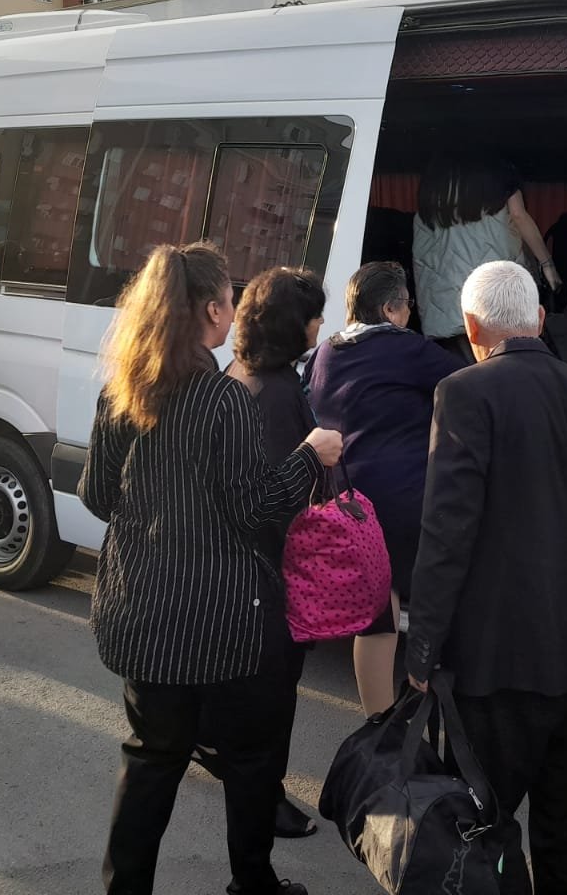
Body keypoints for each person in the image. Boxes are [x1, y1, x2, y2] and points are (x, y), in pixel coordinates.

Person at [77, 242, 342, 895]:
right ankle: (253, 884)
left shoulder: (123, 390)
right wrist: (311, 454)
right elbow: (258, 509)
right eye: (227, 298)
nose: (232, 310)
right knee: (250, 761)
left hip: (141, 611)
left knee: (150, 761)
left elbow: (97, 496)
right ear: (212, 311)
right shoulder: (224, 400)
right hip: (224, 620)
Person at [407, 260, 567, 895]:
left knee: (482, 824)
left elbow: (446, 533)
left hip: (494, 665)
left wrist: (421, 644)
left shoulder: (464, 393)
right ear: (539, 319)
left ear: (472, 326)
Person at [303, 261, 464, 714]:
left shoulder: (326, 352)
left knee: (378, 615)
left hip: (345, 497)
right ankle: (433, 710)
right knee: (439, 594)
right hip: (403, 499)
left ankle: (378, 723)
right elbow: (466, 385)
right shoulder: (406, 349)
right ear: (392, 307)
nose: (409, 315)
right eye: (407, 306)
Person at [216, 266, 327, 840]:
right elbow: (283, 490)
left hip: (236, 562)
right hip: (270, 570)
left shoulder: (240, 370)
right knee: (274, 695)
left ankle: (236, 764)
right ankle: (264, 797)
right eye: (315, 316)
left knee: (250, 691)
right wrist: (321, 454)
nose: (322, 325)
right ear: (295, 326)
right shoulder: (279, 391)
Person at [412, 155, 561, 362]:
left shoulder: (432, 189)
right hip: (493, 308)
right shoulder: (501, 180)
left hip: (442, 314)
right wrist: (547, 264)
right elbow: (519, 215)